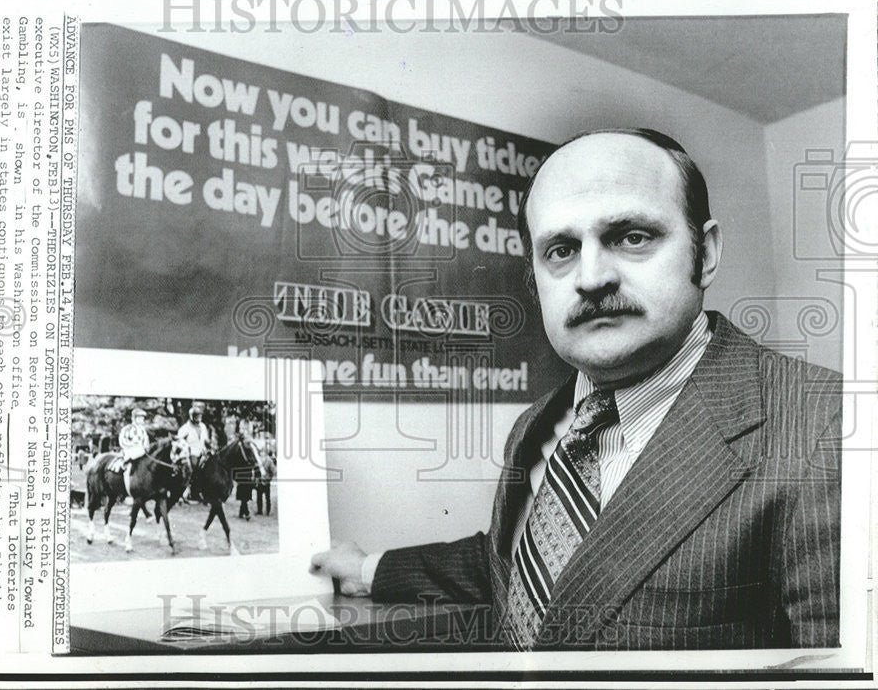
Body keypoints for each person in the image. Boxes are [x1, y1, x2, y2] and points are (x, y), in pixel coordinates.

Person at [310, 129, 841, 651]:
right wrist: (365, 569)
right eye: (561, 250)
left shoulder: (828, 428)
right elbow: (524, 567)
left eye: (632, 237)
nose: (591, 278)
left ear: (706, 253)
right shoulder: (538, 425)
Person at [176, 405, 212, 500]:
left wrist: (209, 445)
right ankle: (189, 491)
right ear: (191, 416)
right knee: (194, 468)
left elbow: (205, 440)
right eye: (196, 416)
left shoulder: (203, 426)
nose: (198, 418)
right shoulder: (185, 428)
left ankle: (204, 491)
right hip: (191, 452)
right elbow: (179, 442)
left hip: (203, 452)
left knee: (210, 467)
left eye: (200, 416)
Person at [117, 407, 151, 493]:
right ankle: (126, 470)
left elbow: (146, 443)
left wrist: (145, 448)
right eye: (140, 417)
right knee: (135, 454)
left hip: (142, 451)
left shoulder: (143, 431)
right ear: (134, 418)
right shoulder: (127, 429)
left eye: (143, 418)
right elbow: (122, 441)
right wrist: (133, 446)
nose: (142, 419)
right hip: (130, 450)